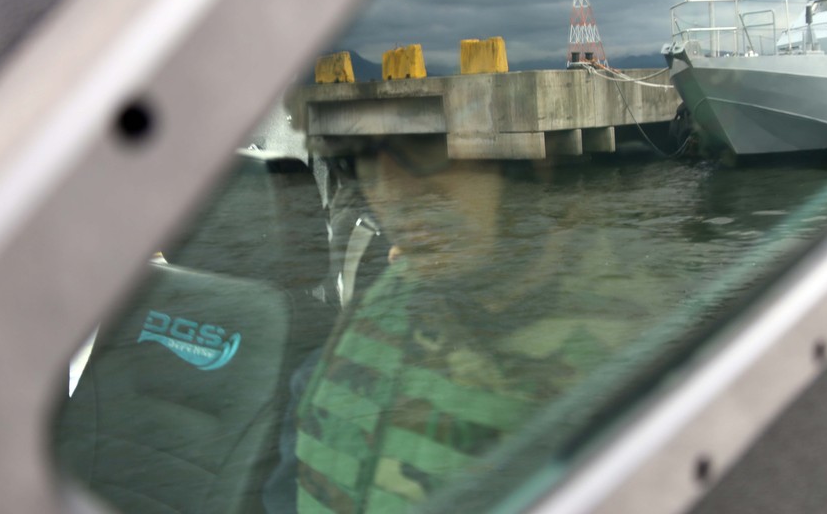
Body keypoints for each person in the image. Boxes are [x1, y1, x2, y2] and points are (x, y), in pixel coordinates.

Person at [272, 133, 637, 513]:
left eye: (426, 146)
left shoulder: (638, 365)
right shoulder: (351, 338)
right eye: (358, 158)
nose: (391, 192)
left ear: (537, 166)